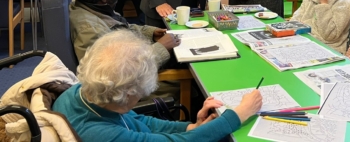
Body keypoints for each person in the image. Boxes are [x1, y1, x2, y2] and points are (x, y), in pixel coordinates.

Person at [53, 30, 263, 142]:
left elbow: (137, 121)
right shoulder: (101, 135)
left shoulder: (87, 92)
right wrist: (239, 114)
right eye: (139, 94)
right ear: (128, 94)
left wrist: (191, 127)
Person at [69, 0, 179, 69]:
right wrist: (161, 47)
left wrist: (151, 34)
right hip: (135, 83)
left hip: (135, 60)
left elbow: (122, 28)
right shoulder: (90, 31)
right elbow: (116, 73)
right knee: (190, 80)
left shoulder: (89, 7)